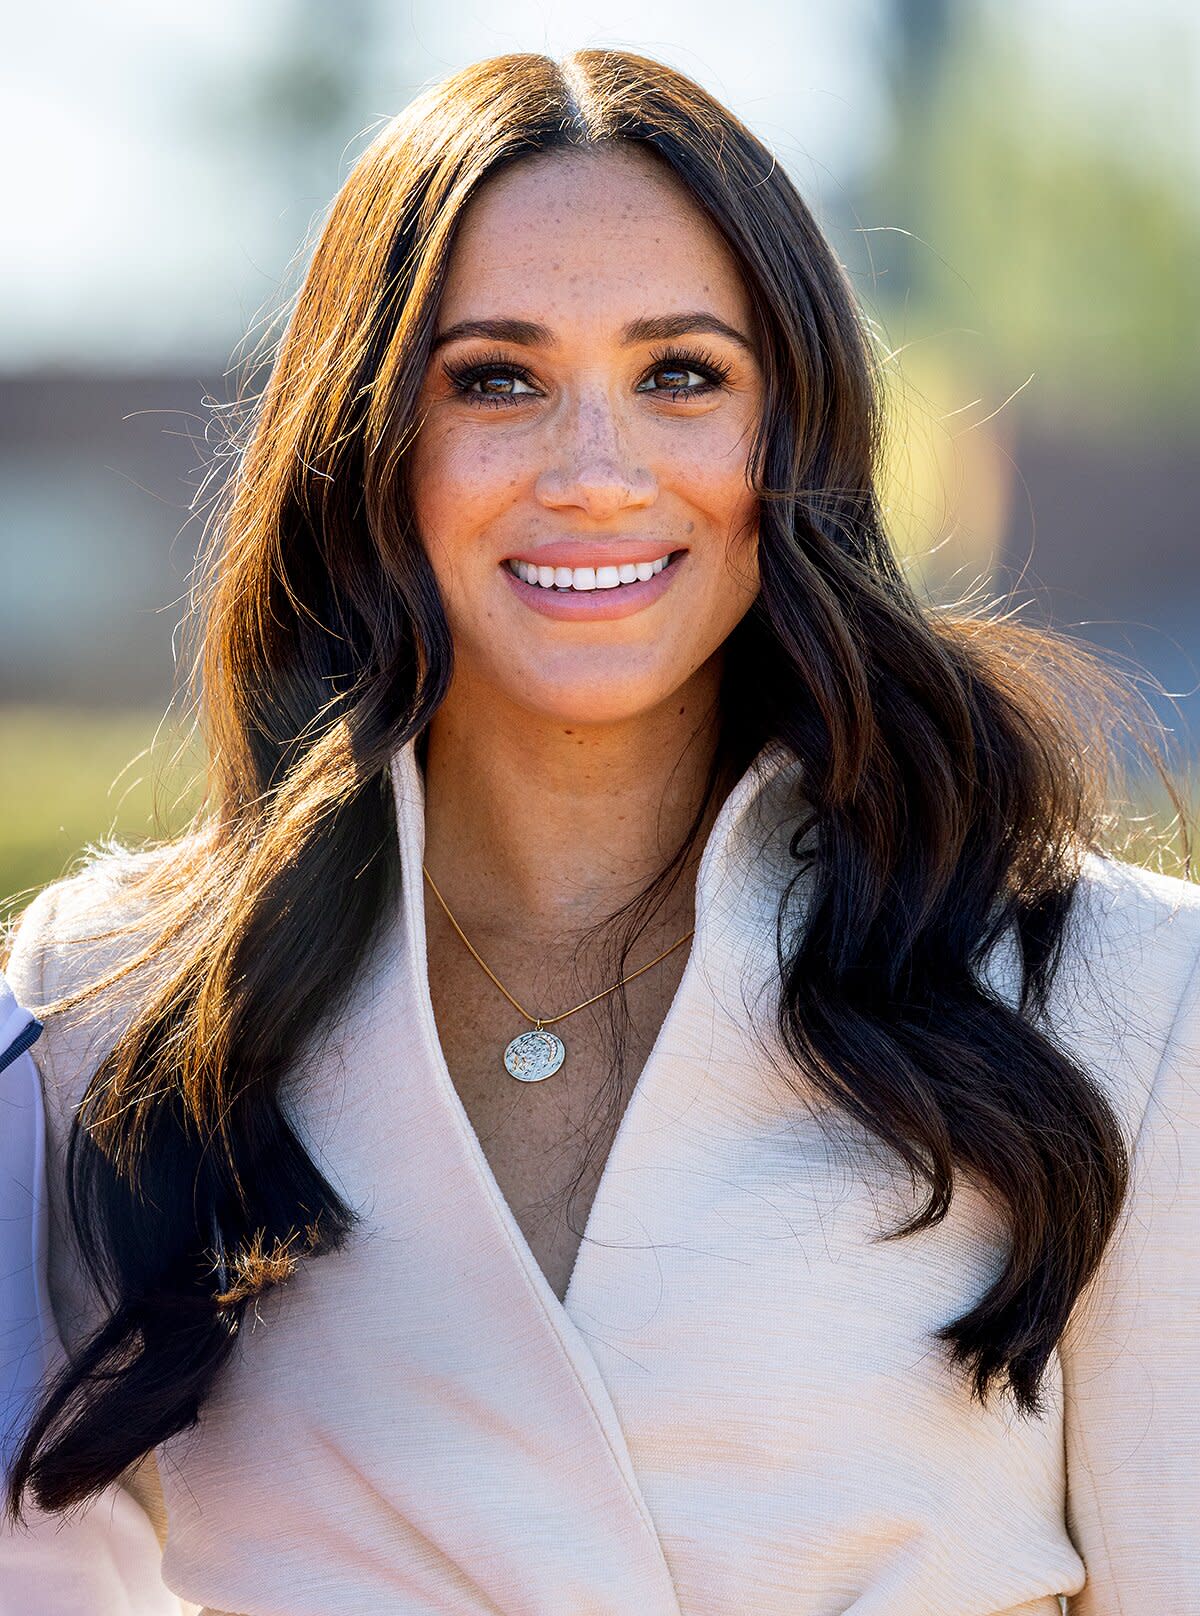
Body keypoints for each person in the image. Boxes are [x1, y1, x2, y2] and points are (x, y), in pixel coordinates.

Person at [1, 47, 1197, 1616]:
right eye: (494, 377)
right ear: (369, 444)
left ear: (793, 439)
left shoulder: (1122, 1001)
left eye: (682, 375)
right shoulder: (109, 1012)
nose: (595, 472)